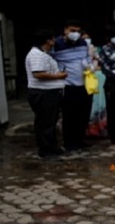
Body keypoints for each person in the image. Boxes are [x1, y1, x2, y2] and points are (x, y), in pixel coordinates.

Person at [25, 29, 68, 160]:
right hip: (43, 93)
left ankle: (52, 147)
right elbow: (38, 74)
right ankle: (45, 151)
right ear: (48, 41)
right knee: (45, 123)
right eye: (53, 39)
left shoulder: (44, 54)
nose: (55, 41)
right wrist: (58, 76)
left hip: (50, 92)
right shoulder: (36, 55)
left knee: (51, 121)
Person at [52, 19, 91, 153]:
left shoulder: (83, 43)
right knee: (69, 116)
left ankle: (80, 140)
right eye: (72, 31)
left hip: (83, 84)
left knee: (83, 114)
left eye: (78, 31)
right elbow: (50, 61)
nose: (75, 34)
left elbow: (86, 58)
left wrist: (89, 64)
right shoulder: (57, 44)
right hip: (67, 85)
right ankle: (70, 143)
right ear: (65, 30)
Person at [82, 30, 108, 139]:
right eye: (84, 38)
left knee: (99, 103)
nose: (86, 40)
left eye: (87, 38)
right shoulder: (78, 51)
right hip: (85, 79)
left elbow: (102, 62)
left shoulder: (95, 49)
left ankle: (99, 128)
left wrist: (94, 55)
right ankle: (86, 129)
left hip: (98, 79)